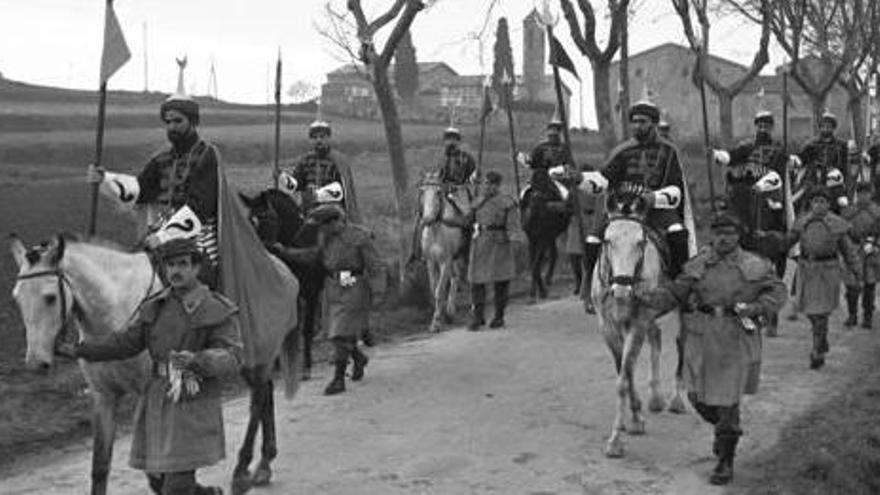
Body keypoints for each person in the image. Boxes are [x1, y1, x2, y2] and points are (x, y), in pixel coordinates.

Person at [75, 237, 241, 495]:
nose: (176, 271)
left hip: (191, 403)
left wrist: (198, 361)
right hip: (156, 403)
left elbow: (232, 357)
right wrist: (80, 350)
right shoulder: (154, 307)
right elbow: (125, 344)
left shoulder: (214, 308)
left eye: (183, 264)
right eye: (170, 265)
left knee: (174, 487)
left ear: (196, 268)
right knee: (164, 483)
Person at [648, 214, 786, 486]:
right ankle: (725, 430)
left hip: (735, 337)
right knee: (696, 397)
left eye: (730, 233)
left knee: (727, 401)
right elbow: (675, 293)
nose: (724, 239)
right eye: (719, 233)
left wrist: (757, 308)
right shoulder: (697, 264)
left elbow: (777, 292)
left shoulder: (755, 265)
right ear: (711, 235)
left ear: (738, 236)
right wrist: (645, 298)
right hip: (701, 336)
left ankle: (725, 457)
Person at [87, 94, 222, 285]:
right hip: (159, 234)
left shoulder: (207, 155)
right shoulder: (161, 158)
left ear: (192, 121)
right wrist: (105, 179)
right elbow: (141, 190)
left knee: (197, 281)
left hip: (199, 237)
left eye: (178, 121)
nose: (172, 127)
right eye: (168, 122)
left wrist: (164, 236)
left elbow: (200, 206)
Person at [568, 97, 695, 290]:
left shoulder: (668, 151)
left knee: (676, 231)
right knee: (593, 239)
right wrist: (580, 178)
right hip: (621, 209)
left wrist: (653, 198)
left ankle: (679, 285)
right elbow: (603, 180)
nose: (637, 126)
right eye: (634, 122)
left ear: (653, 123)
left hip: (656, 208)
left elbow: (675, 188)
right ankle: (589, 286)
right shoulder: (621, 151)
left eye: (642, 121)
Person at [271, 204, 385, 395]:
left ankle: (338, 379)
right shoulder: (325, 237)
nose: (321, 230)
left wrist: (378, 292)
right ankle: (358, 357)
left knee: (340, 332)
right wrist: (285, 252)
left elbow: (375, 266)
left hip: (352, 283)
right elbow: (313, 255)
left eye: (323, 225)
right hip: (332, 286)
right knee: (333, 331)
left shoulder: (359, 237)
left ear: (335, 222)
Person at [760, 186, 861, 369]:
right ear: (811, 204)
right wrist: (769, 241)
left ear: (828, 204)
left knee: (821, 312)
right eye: (816, 201)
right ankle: (821, 338)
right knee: (811, 312)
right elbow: (787, 242)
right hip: (807, 270)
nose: (819, 205)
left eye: (823, 201)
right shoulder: (803, 222)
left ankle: (817, 350)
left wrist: (856, 269)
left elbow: (848, 251)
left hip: (828, 271)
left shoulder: (837, 224)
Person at [711, 109, 791, 335]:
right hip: (746, 195)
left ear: (771, 128)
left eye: (766, 125)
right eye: (759, 125)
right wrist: (718, 154)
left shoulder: (778, 152)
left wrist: (762, 185)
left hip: (769, 195)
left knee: (777, 220)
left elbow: (779, 177)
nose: (762, 129)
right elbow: (730, 157)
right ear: (755, 126)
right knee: (727, 215)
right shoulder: (746, 148)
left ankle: (778, 252)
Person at [409, 126, 477, 264]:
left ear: (458, 141)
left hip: (459, 192)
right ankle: (416, 252)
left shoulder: (467, 158)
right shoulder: (439, 158)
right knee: (421, 217)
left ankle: (467, 251)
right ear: (444, 141)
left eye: (454, 139)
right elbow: (430, 176)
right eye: (448, 139)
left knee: (469, 219)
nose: (451, 142)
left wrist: (474, 177)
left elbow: (473, 177)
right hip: (439, 191)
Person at [467, 171, 525, 330]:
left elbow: (513, 225)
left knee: (501, 281)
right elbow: (468, 218)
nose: (487, 187)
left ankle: (499, 316)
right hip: (480, 242)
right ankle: (478, 316)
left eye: (491, 184)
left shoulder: (506, 203)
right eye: (485, 183)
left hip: (499, 244)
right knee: (476, 281)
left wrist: (515, 241)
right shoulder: (478, 201)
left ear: (497, 185)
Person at [278, 120, 361, 223]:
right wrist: (282, 178)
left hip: (333, 210)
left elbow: (340, 191)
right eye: (315, 137)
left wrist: (318, 195)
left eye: (322, 137)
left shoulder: (338, 161)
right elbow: (296, 185)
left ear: (328, 138)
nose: (318, 140)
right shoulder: (306, 160)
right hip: (309, 209)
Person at [841, 182, 880, 329]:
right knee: (851, 286)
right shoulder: (850, 211)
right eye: (861, 193)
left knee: (869, 285)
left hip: (871, 252)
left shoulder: (877, 211)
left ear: (871, 194)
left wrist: (874, 244)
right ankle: (852, 315)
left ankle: (867, 316)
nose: (863, 196)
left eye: (866, 193)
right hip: (853, 250)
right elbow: (843, 229)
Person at [796, 111, 849, 212]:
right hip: (814, 180)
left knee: (834, 206)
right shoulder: (811, 145)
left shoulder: (841, 145)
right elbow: (801, 160)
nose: (826, 129)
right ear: (820, 127)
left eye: (829, 126)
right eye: (823, 126)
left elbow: (844, 165)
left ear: (833, 128)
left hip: (833, 181)